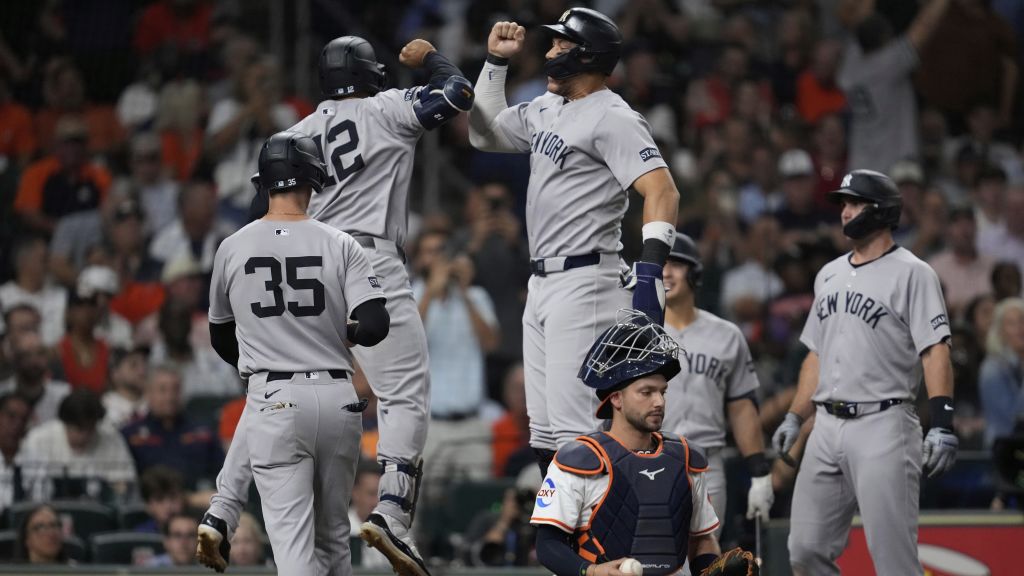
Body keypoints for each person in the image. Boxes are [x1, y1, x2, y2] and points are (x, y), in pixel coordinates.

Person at [205, 35, 473, 576]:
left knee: (269, 388)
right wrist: (429, 61)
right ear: (371, 73)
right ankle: (394, 512)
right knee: (404, 393)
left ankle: (221, 510)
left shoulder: (296, 133)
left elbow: (267, 208)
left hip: (303, 257)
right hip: (363, 257)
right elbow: (458, 93)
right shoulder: (389, 106)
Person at [468, 8, 681, 476]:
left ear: (586, 57)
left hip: (587, 280)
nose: (548, 53)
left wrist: (649, 270)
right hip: (543, 282)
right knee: (544, 433)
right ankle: (562, 536)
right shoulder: (548, 107)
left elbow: (662, 189)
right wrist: (494, 64)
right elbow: (484, 134)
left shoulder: (614, 116)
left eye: (560, 45)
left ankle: (597, 542)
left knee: (574, 432)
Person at [197, 131, 389, 575]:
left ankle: (221, 508)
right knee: (334, 545)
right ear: (312, 178)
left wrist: (266, 353)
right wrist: (332, 332)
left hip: (275, 398)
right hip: (339, 400)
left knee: (295, 556)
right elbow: (376, 326)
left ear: (263, 183)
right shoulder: (341, 243)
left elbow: (220, 336)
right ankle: (221, 509)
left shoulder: (232, 246)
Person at [771, 170, 958, 575]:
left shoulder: (913, 272)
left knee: (894, 562)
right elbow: (815, 356)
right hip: (825, 427)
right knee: (805, 551)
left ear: (882, 210)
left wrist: (942, 421)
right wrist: (795, 414)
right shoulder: (829, 273)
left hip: (883, 423)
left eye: (855, 203)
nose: (845, 212)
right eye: (842, 203)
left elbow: (935, 350)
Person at [530, 311, 758, 576]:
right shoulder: (579, 460)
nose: (659, 402)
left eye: (662, 392)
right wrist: (591, 571)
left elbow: (702, 540)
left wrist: (709, 571)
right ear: (616, 399)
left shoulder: (684, 458)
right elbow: (548, 545)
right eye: (646, 392)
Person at [660, 234, 774, 532]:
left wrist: (759, 472)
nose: (666, 273)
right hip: (648, 460)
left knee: (706, 562)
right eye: (660, 264)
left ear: (695, 273)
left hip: (706, 464)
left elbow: (742, 408)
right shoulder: (638, 332)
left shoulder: (726, 334)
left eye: (676, 265)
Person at [979, 298, 1024, 447]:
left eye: (1022, 320)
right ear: (1000, 331)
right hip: (1004, 454)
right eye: (1012, 323)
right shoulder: (992, 369)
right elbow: (1014, 419)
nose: (1020, 328)